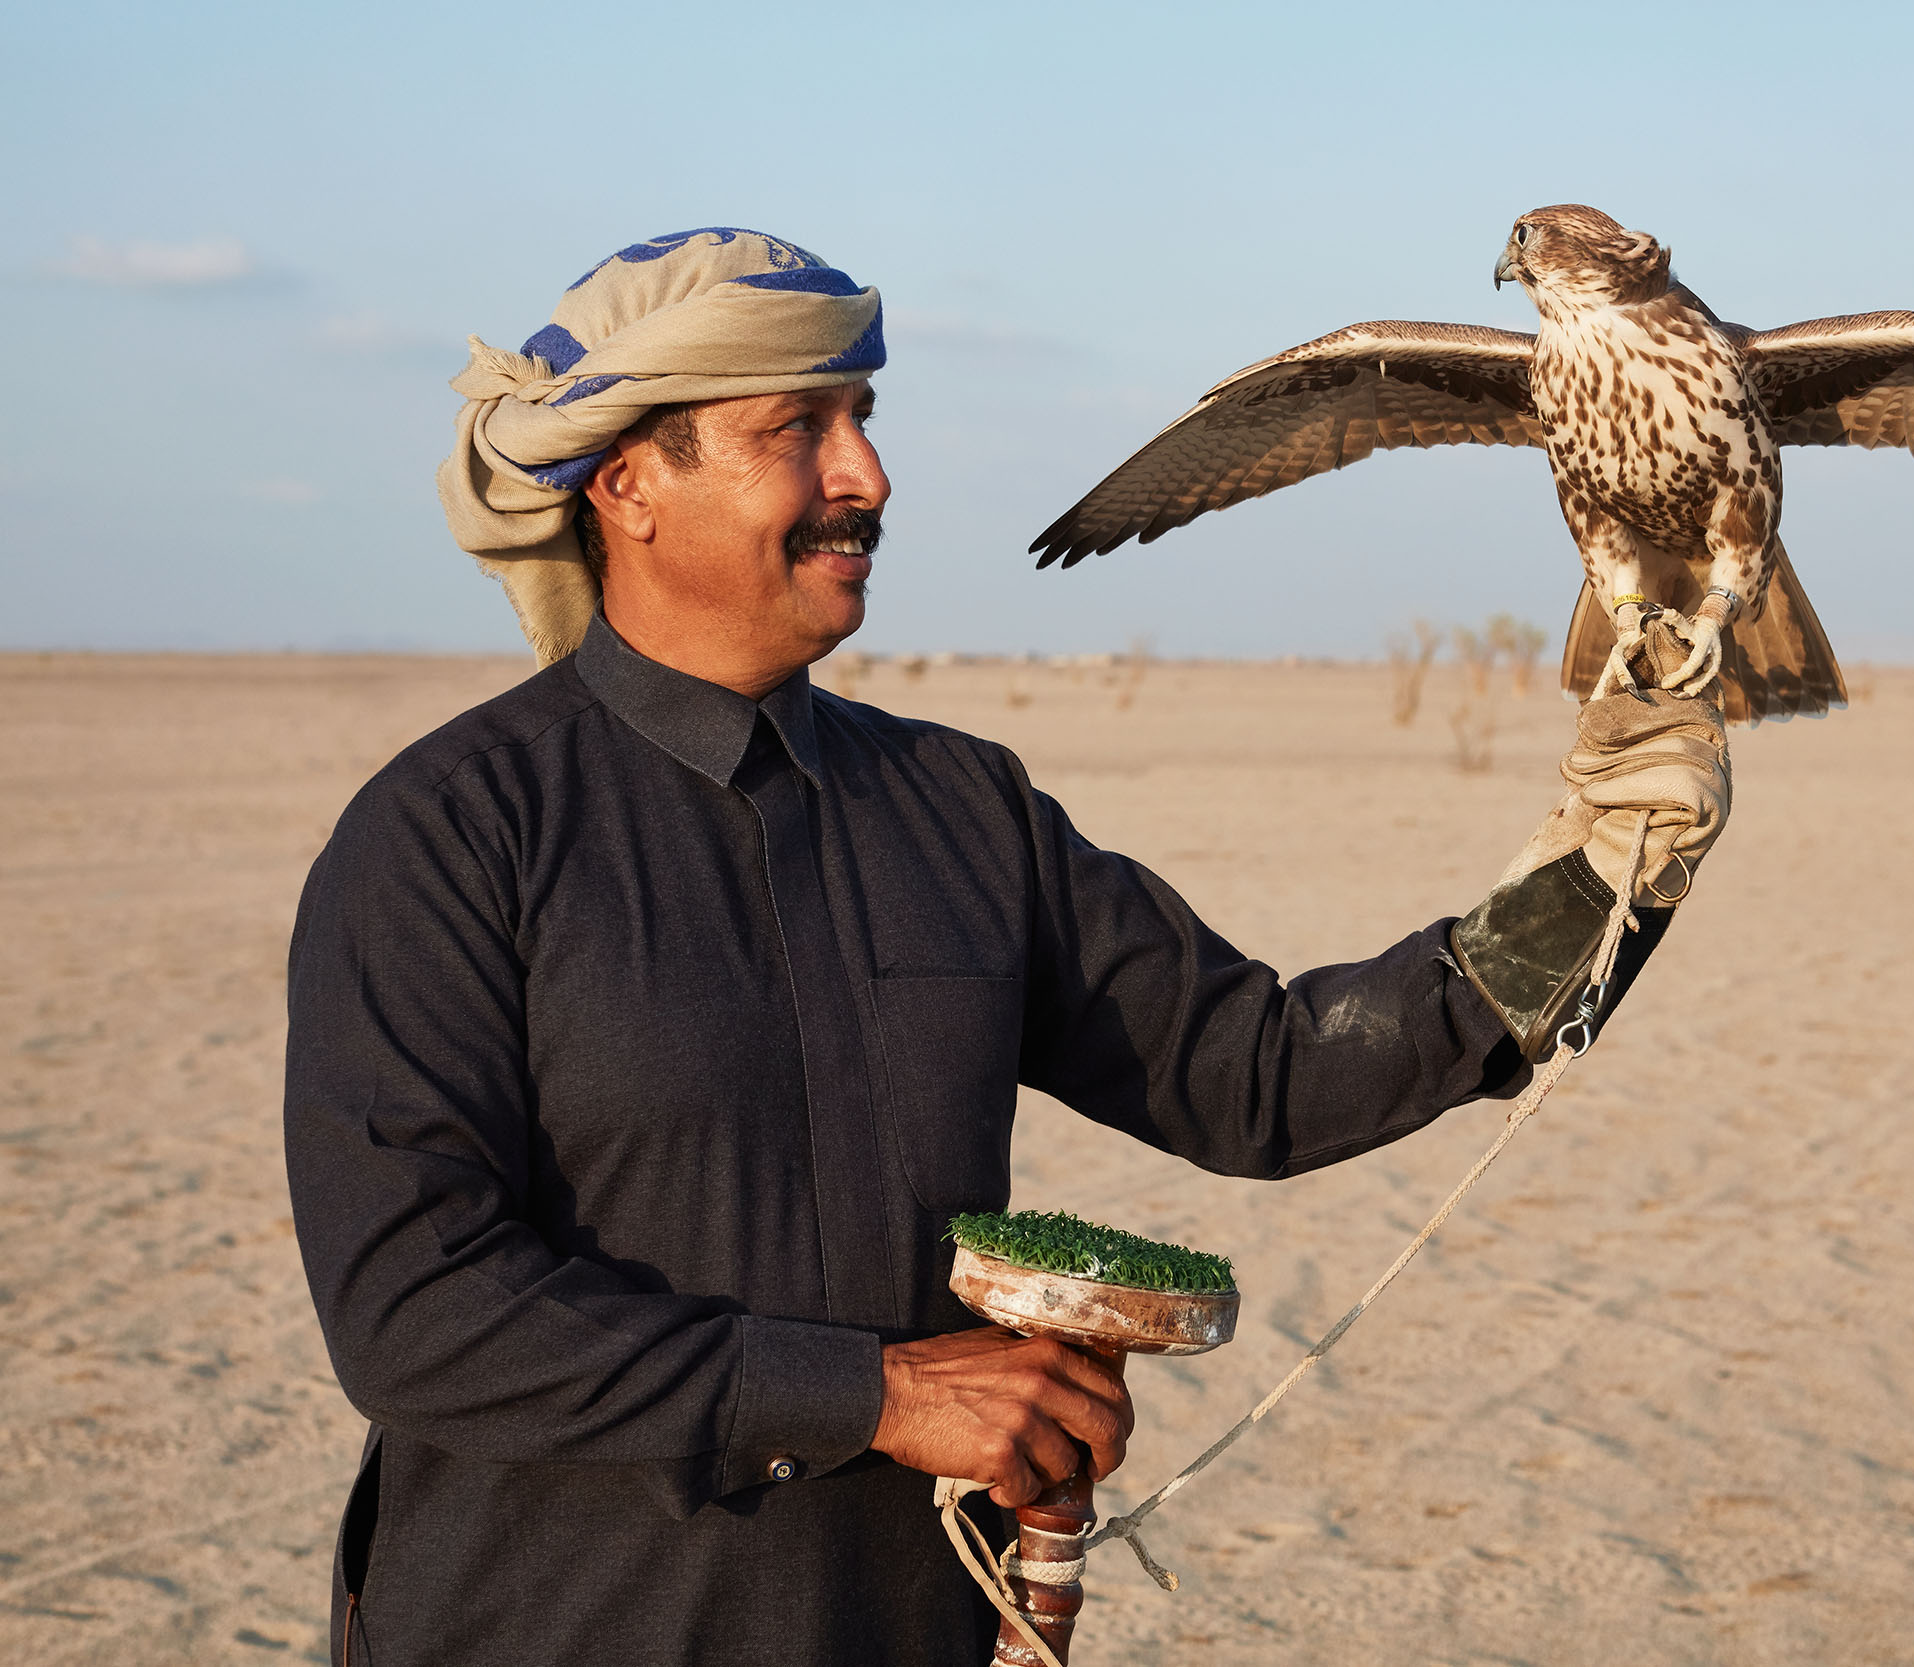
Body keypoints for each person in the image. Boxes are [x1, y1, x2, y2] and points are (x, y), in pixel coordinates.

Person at [285, 228, 1727, 1666]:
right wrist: (877, 1395)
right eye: (797, 428)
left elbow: (1257, 1074)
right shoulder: (452, 834)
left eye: (863, 417)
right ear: (626, 484)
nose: (867, 476)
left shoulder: (958, 805)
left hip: (903, 1626)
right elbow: (415, 1311)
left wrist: (1597, 884)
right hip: (544, 1624)